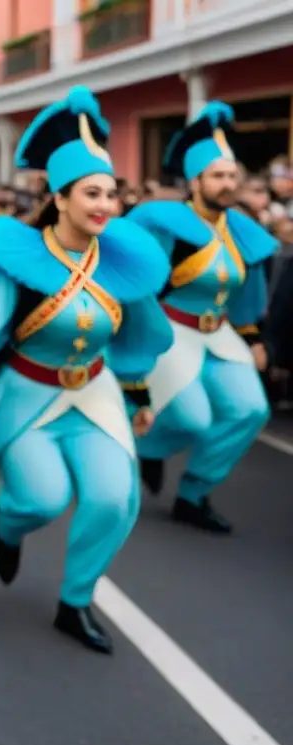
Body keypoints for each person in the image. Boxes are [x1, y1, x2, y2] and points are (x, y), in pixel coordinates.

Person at [0, 87, 173, 653]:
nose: (104, 206)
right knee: (42, 499)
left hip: (94, 394)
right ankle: (8, 525)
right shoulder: (18, 258)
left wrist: (138, 396)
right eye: (92, 193)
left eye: (112, 195)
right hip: (27, 397)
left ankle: (76, 601)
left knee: (114, 497)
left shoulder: (120, 261)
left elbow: (137, 334)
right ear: (60, 197)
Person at [126, 102, 276, 534]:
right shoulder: (166, 222)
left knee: (250, 410)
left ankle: (193, 494)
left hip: (221, 334)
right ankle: (148, 446)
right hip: (171, 331)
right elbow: (140, 279)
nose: (228, 184)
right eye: (218, 176)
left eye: (232, 176)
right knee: (194, 419)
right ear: (196, 182)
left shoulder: (242, 228)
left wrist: (254, 337)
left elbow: (250, 291)